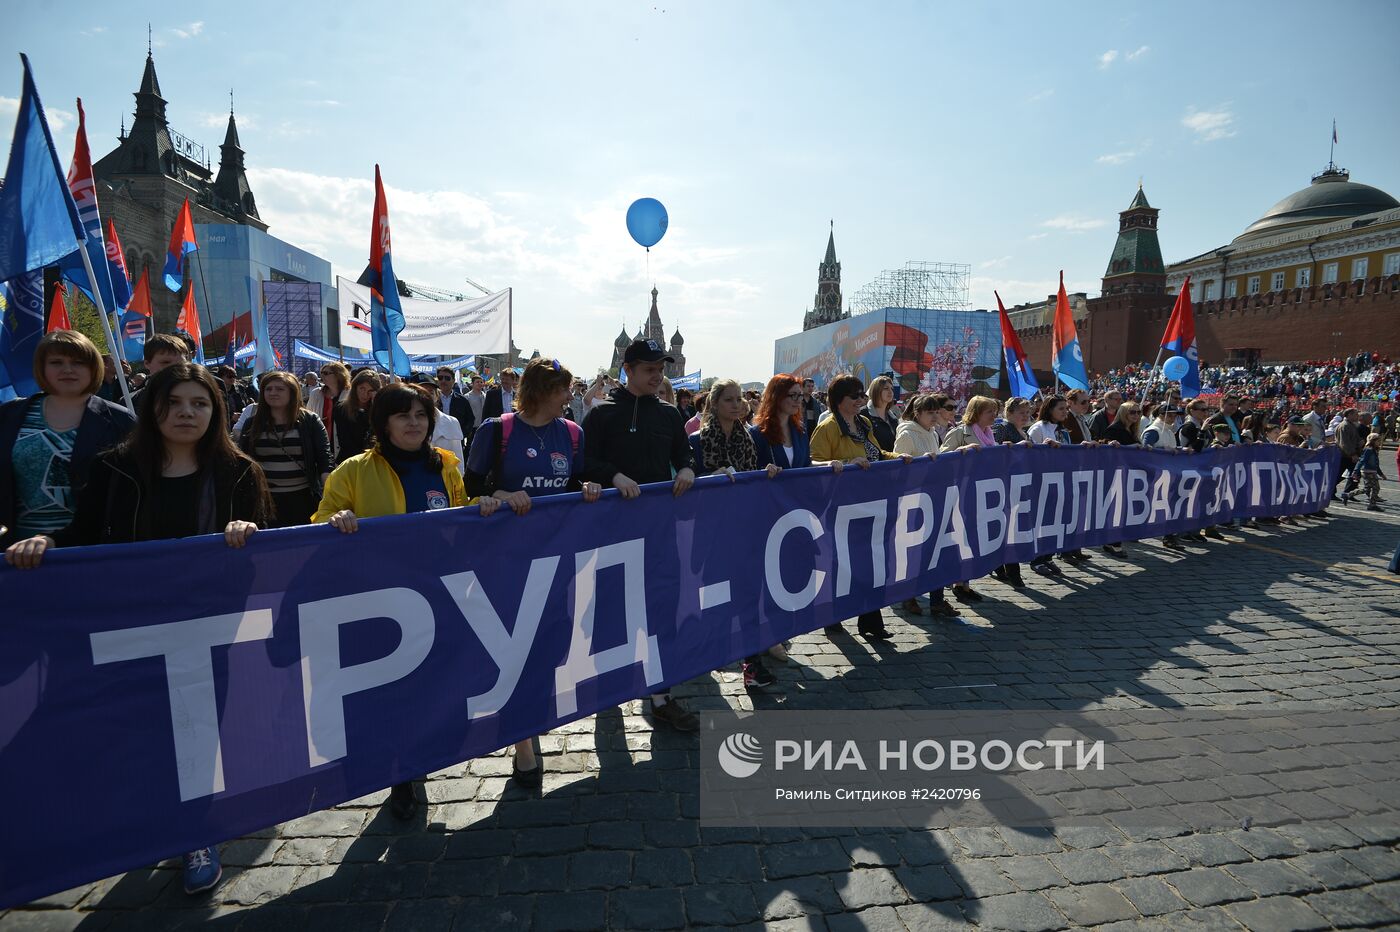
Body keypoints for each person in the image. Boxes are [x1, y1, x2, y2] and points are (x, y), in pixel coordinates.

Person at [6, 362, 273, 896]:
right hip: (130, 625)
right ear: (153, 409)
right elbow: (84, 533)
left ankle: (195, 831)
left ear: (215, 412)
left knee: (199, 730)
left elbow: (260, 548)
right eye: (174, 402)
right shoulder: (116, 467)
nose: (186, 413)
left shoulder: (238, 470)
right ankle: (148, 825)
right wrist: (48, 544)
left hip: (203, 628)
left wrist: (250, 533)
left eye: (199, 403)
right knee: (142, 729)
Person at [314, 383, 467, 818]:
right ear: (382, 423)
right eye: (404, 415)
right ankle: (398, 774)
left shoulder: (446, 467)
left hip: (435, 594)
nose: (415, 423)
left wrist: (486, 506)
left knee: (427, 683)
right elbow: (322, 521)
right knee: (391, 690)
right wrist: (336, 520)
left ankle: (416, 757)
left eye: (422, 415)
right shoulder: (353, 470)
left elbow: (461, 515)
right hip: (379, 601)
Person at [464, 358, 601, 785]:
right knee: (514, 646)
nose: (570, 397)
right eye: (563, 390)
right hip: (506, 559)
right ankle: (523, 738)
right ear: (541, 391)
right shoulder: (498, 430)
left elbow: (578, 481)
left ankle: (531, 710)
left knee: (553, 643)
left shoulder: (572, 433)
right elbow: (470, 487)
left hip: (557, 558)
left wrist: (589, 488)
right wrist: (500, 493)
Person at [581, 339, 699, 731]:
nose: (657, 375)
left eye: (660, 368)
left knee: (661, 610)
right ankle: (606, 688)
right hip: (611, 534)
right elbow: (585, 464)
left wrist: (685, 469)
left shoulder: (668, 414)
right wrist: (612, 476)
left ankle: (661, 695)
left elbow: (685, 454)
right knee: (611, 611)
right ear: (627, 368)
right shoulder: (601, 415)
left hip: (658, 532)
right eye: (649, 368)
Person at [688, 378, 785, 686]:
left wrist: (767, 472)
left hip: (744, 526)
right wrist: (708, 477)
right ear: (714, 405)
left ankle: (751, 664)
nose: (736, 404)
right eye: (729, 399)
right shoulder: (696, 441)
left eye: (739, 398)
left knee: (747, 595)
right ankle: (701, 651)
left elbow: (757, 473)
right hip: (709, 530)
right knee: (710, 596)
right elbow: (685, 485)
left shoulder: (750, 438)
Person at [0, 331, 136, 548]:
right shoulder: (9, 415)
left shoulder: (121, 420)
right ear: (41, 367)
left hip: (92, 552)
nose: (67, 369)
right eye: (56, 362)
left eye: (78, 362)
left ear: (94, 367)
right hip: (13, 552)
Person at [810, 374, 910, 637]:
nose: (861, 400)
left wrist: (899, 456)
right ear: (838, 400)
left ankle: (870, 621)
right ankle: (832, 614)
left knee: (870, 562)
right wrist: (846, 463)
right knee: (841, 561)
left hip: (870, 502)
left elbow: (877, 454)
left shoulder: (863, 423)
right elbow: (812, 463)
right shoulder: (828, 427)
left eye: (862, 395)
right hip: (841, 506)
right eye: (855, 396)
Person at [236, 371, 332, 528]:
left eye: (280, 389)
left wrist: (330, 495)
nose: (273, 392)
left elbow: (324, 458)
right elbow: (243, 463)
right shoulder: (252, 423)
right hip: (265, 500)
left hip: (303, 499)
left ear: (292, 392)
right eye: (268, 389)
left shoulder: (310, 421)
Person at [333, 370, 378, 464]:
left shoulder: (378, 409)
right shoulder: (341, 408)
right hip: (350, 462)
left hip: (374, 460)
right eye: (362, 388)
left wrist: (377, 406)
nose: (365, 394)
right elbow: (345, 441)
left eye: (370, 391)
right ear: (355, 387)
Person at [307, 362, 350, 459]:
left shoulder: (349, 394)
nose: (322, 375)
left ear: (339, 374)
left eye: (326, 373)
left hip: (343, 443)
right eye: (322, 372)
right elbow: (308, 415)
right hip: (321, 442)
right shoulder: (316, 393)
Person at [860, 375, 900, 452]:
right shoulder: (863, 414)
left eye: (892, 389)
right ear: (876, 390)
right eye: (886, 388)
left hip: (893, 461)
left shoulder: (893, 417)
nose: (890, 392)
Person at [434, 366, 475, 436]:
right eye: (440, 378)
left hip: (455, 441)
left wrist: (460, 434)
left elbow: (470, 420)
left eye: (447, 378)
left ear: (453, 381)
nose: (443, 381)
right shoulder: (430, 399)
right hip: (435, 441)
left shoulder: (462, 400)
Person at [1357, 433, 1386, 511]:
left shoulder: (1374, 450)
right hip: (1367, 471)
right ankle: (1372, 505)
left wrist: (1381, 474)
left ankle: (1347, 495)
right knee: (1376, 488)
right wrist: (1356, 471)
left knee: (1367, 489)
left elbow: (1376, 464)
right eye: (1378, 441)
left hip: (1372, 471)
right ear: (1372, 441)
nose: (1379, 442)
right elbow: (1361, 461)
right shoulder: (1368, 450)